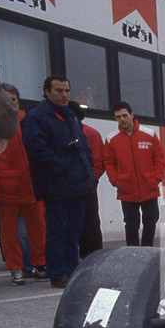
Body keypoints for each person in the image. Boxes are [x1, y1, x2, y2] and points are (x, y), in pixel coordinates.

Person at [21, 75, 96, 288]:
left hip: (77, 184)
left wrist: (87, 174)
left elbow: (82, 146)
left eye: (66, 91)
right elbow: (37, 150)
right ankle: (57, 273)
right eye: (59, 91)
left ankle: (72, 270)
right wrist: (61, 166)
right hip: (56, 185)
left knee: (74, 231)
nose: (64, 95)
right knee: (58, 231)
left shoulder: (71, 116)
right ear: (47, 92)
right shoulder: (36, 117)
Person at [0, 82, 46, 285]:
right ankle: (16, 268)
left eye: (13, 101)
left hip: (31, 184)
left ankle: (40, 264)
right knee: (9, 232)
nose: (10, 104)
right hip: (5, 187)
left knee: (38, 227)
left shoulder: (29, 120)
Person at [104, 101, 165, 247]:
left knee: (151, 221)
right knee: (131, 224)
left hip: (149, 187)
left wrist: (156, 177)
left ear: (132, 115)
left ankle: (146, 250)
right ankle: (132, 253)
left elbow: (159, 157)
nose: (122, 119)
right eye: (118, 117)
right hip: (126, 189)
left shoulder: (149, 134)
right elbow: (109, 162)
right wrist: (115, 180)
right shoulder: (111, 139)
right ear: (115, 119)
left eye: (125, 115)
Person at [69, 100, 104, 259]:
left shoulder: (91, 134)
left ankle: (93, 256)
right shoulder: (63, 132)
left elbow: (98, 162)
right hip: (68, 186)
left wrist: (91, 180)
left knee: (90, 223)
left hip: (86, 186)